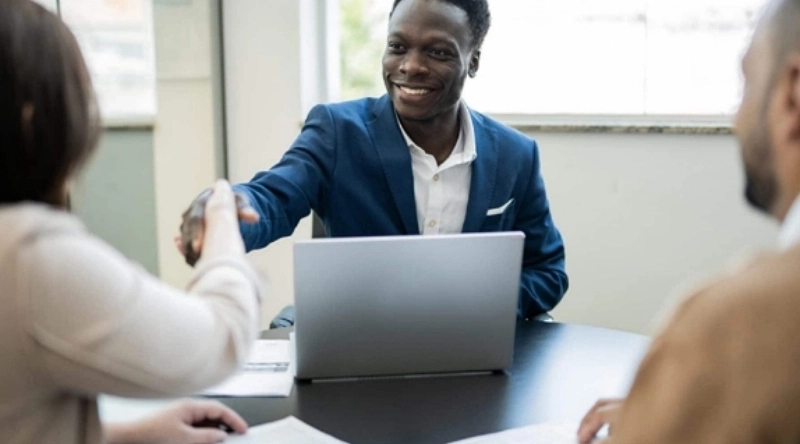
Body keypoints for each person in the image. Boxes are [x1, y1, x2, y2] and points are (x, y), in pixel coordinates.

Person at [178, 0, 568, 321]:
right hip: (352, 336)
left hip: (467, 347)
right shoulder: (337, 131)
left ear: (474, 61)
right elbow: (273, 198)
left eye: (437, 52)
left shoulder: (516, 155)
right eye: (398, 46)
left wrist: (475, 304)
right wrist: (224, 214)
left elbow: (547, 271)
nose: (411, 66)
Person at [0, 1, 263, 443]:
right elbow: (222, 339)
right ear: (34, 116)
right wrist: (220, 227)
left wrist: (123, 434)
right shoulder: (28, 255)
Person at [578, 0, 800, 442]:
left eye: (746, 86)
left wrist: (684, 405)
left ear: (792, 95)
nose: (738, 118)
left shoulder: (734, 327)